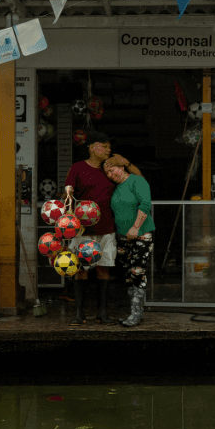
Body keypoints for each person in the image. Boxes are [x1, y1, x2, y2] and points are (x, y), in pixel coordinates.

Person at [63, 132, 140, 325]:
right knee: (81, 269)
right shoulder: (77, 168)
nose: (108, 149)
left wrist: (126, 163)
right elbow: (67, 196)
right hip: (82, 230)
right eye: (104, 146)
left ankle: (102, 313)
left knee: (104, 269)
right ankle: (79, 314)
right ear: (91, 147)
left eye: (109, 146)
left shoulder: (111, 169)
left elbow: (139, 181)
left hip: (107, 228)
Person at [104, 162, 155, 327]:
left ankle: (135, 313)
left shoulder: (137, 181)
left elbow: (145, 204)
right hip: (122, 236)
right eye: (107, 173)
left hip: (141, 233)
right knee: (127, 274)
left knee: (137, 271)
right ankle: (136, 313)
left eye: (112, 170)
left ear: (121, 167)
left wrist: (135, 227)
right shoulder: (116, 188)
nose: (110, 175)